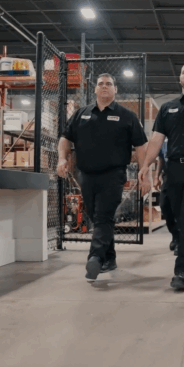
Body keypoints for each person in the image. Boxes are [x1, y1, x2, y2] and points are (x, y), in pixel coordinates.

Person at [58, 73, 148, 282]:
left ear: (115, 89)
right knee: (95, 216)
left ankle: (95, 258)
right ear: (95, 89)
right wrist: (62, 158)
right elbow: (65, 138)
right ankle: (110, 258)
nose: (105, 86)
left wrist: (144, 172)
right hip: (86, 175)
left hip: (113, 175)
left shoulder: (127, 116)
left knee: (103, 216)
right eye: (101, 84)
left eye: (109, 84)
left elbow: (141, 146)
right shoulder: (81, 114)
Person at [138, 63, 184, 291]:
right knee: (171, 213)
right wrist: (146, 165)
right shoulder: (168, 108)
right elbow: (156, 140)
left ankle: (182, 271)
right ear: (180, 79)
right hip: (173, 170)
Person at [156, 139, 179, 252]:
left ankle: (180, 240)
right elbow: (161, 158)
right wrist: (156, 176)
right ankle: (175, 234)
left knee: (178, 208)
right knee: (164, 205)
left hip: (182, 173)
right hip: (167, 175)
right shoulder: (163, 138)